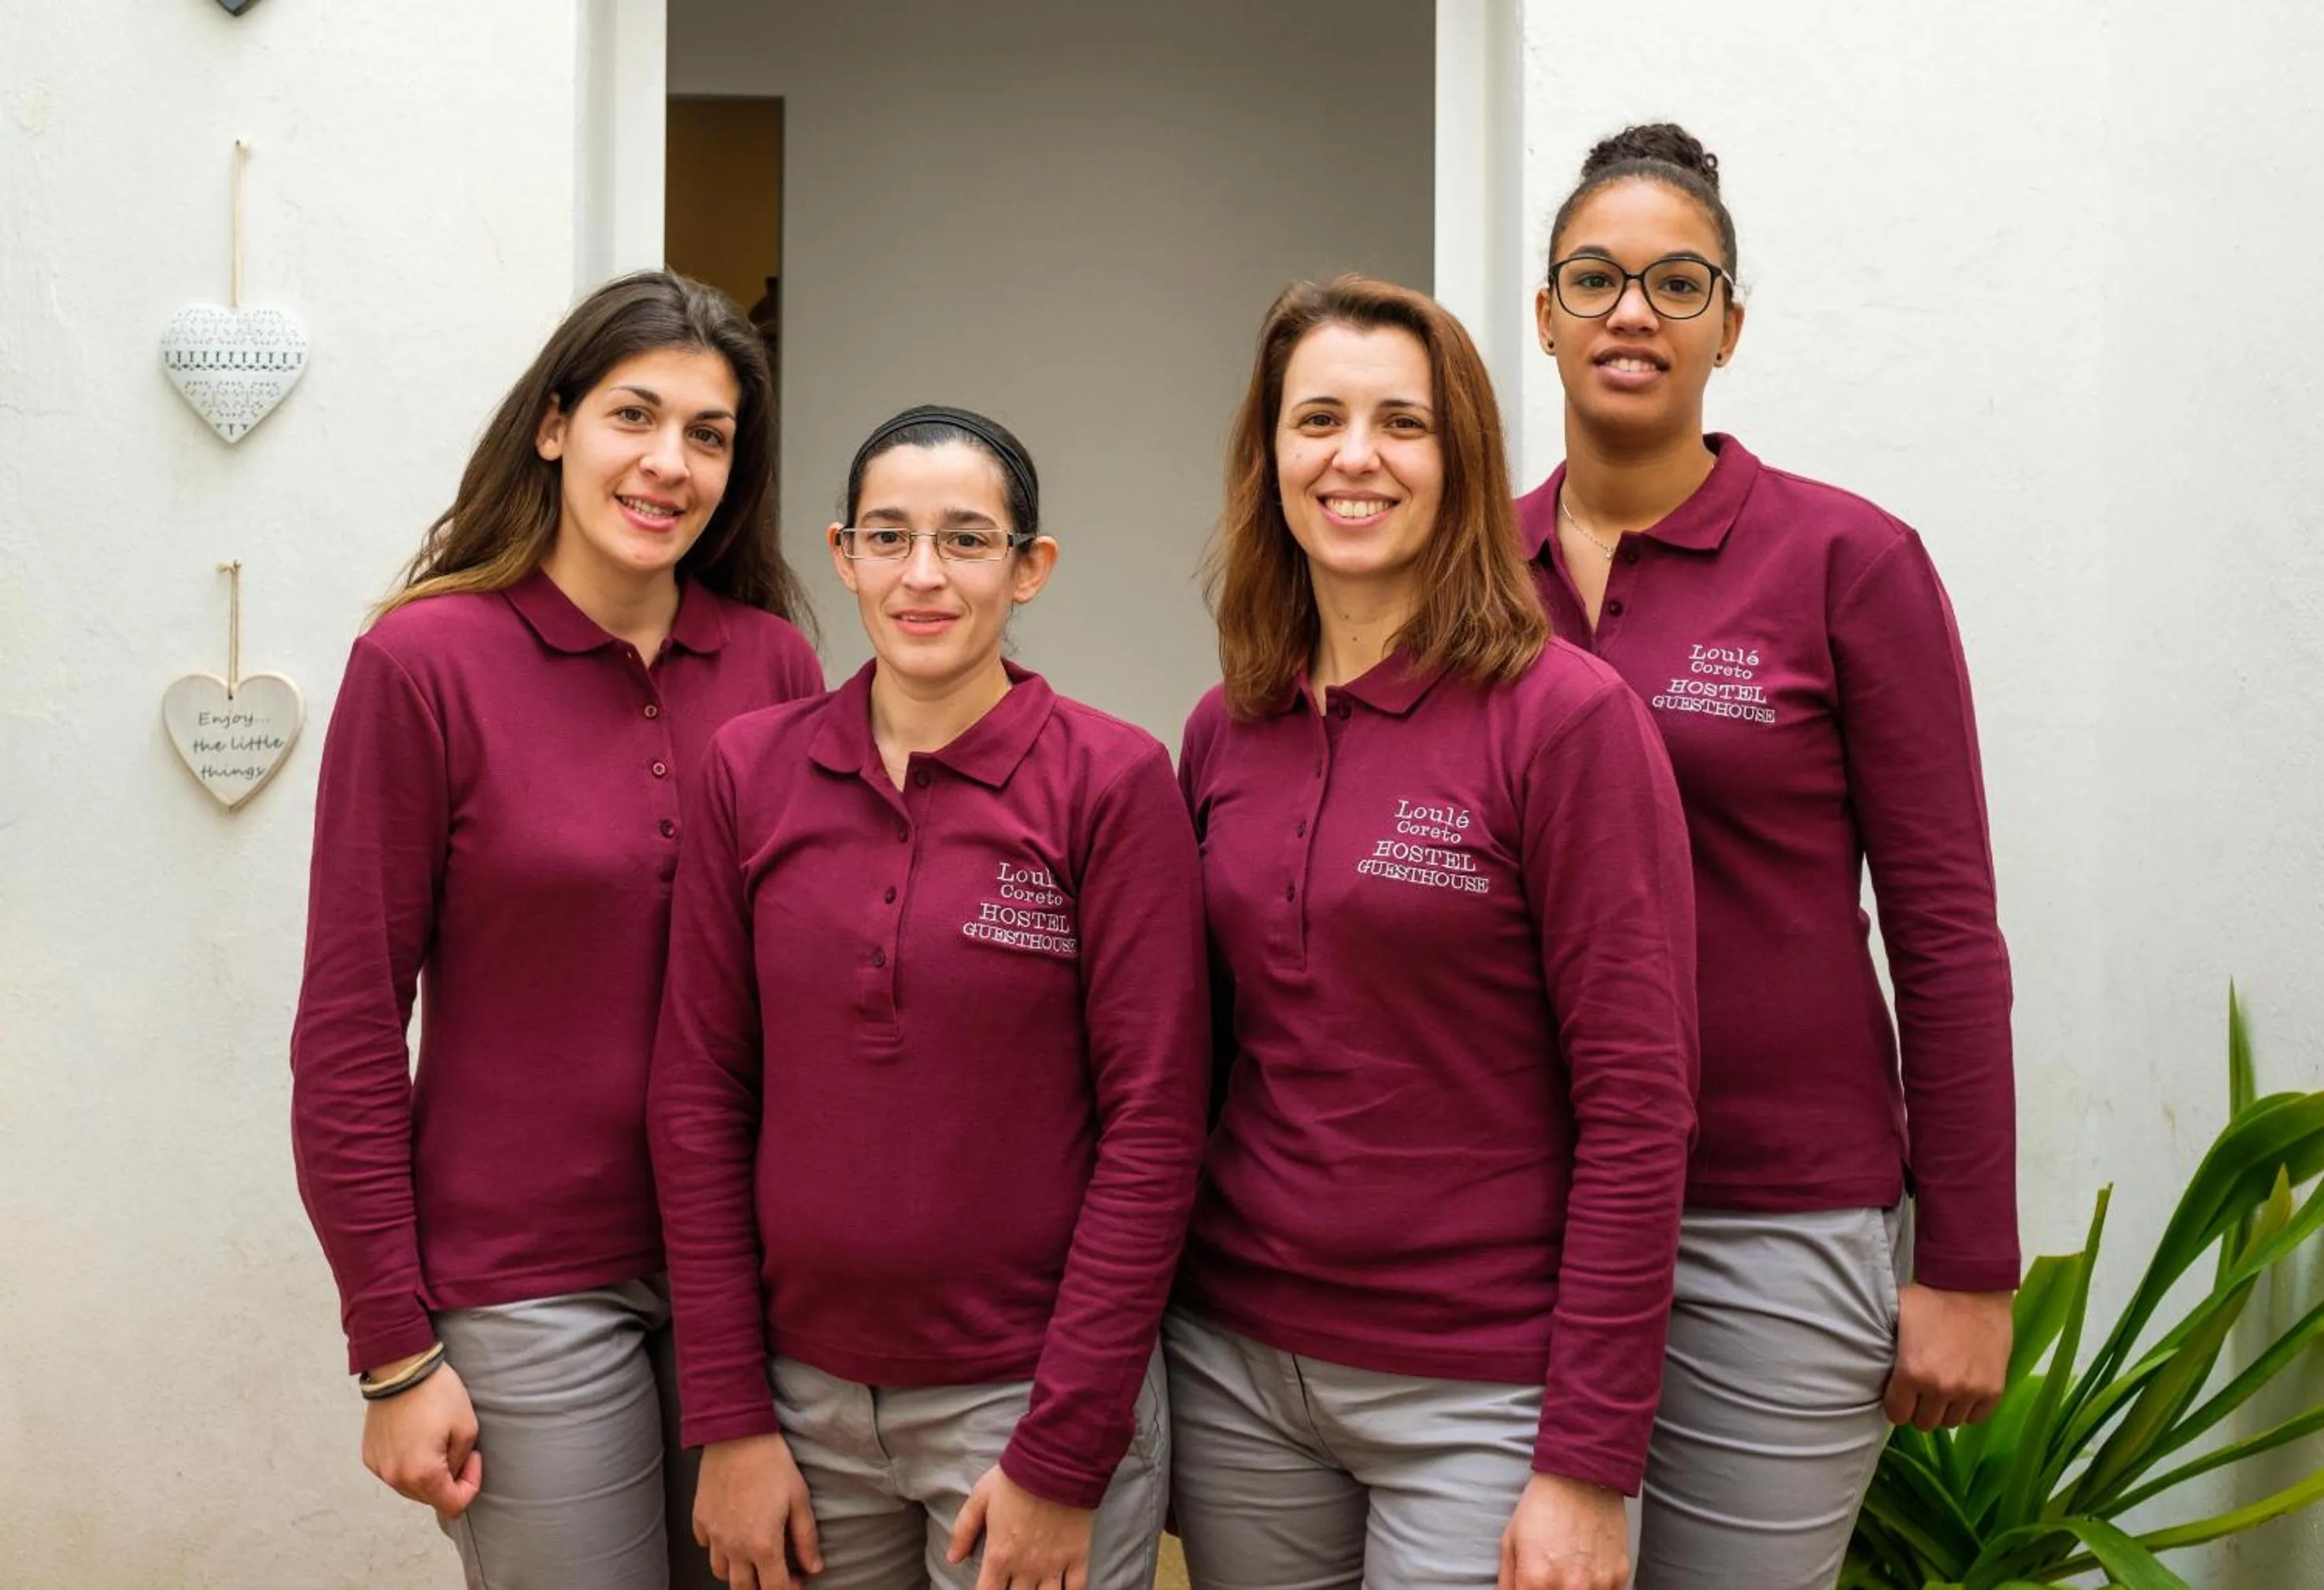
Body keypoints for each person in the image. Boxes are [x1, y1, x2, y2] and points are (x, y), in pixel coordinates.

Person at [1519, 123, 2019, 1588]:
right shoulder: (1473, 572)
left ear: (1731, 328)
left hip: (1775, 1221)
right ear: (1544, 313)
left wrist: (1969, 1265)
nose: (1633, 312)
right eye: (1596, 278)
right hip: (1516, 1218)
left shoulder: (1845, 563)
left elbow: (1944, 927)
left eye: (1680, 283)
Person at [289, 270, 822, 1590]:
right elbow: (351, 1026)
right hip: (525, 1279)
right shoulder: (424, 665)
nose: (668, 463)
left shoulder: (778, 669)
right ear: (554, 426)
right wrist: (393, 1352)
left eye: (709, 436)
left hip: (754, 1273)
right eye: (634, 416)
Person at [1167, 275, 1700, 1590]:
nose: (1355, 458)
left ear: (1459, 462)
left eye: (1401, 423)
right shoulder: (1226, 726)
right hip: (1241, 1371)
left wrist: (1587, 1462)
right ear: (1269, 456)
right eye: (1318, 421)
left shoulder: (1565, 722)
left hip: (1478, 1392)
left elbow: (1640, 1106)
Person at [648, 405, 1209, 1590]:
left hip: (1023, 1401)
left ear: (1029, 567)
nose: (923, 576)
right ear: (842, 555)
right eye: (889, 537)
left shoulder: (1112, 783)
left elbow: (1155, 1130)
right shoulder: (749, 770)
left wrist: (1065, 1450)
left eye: (965, 539)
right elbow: (698, 1098)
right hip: (797, 1406)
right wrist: (732, 1421)